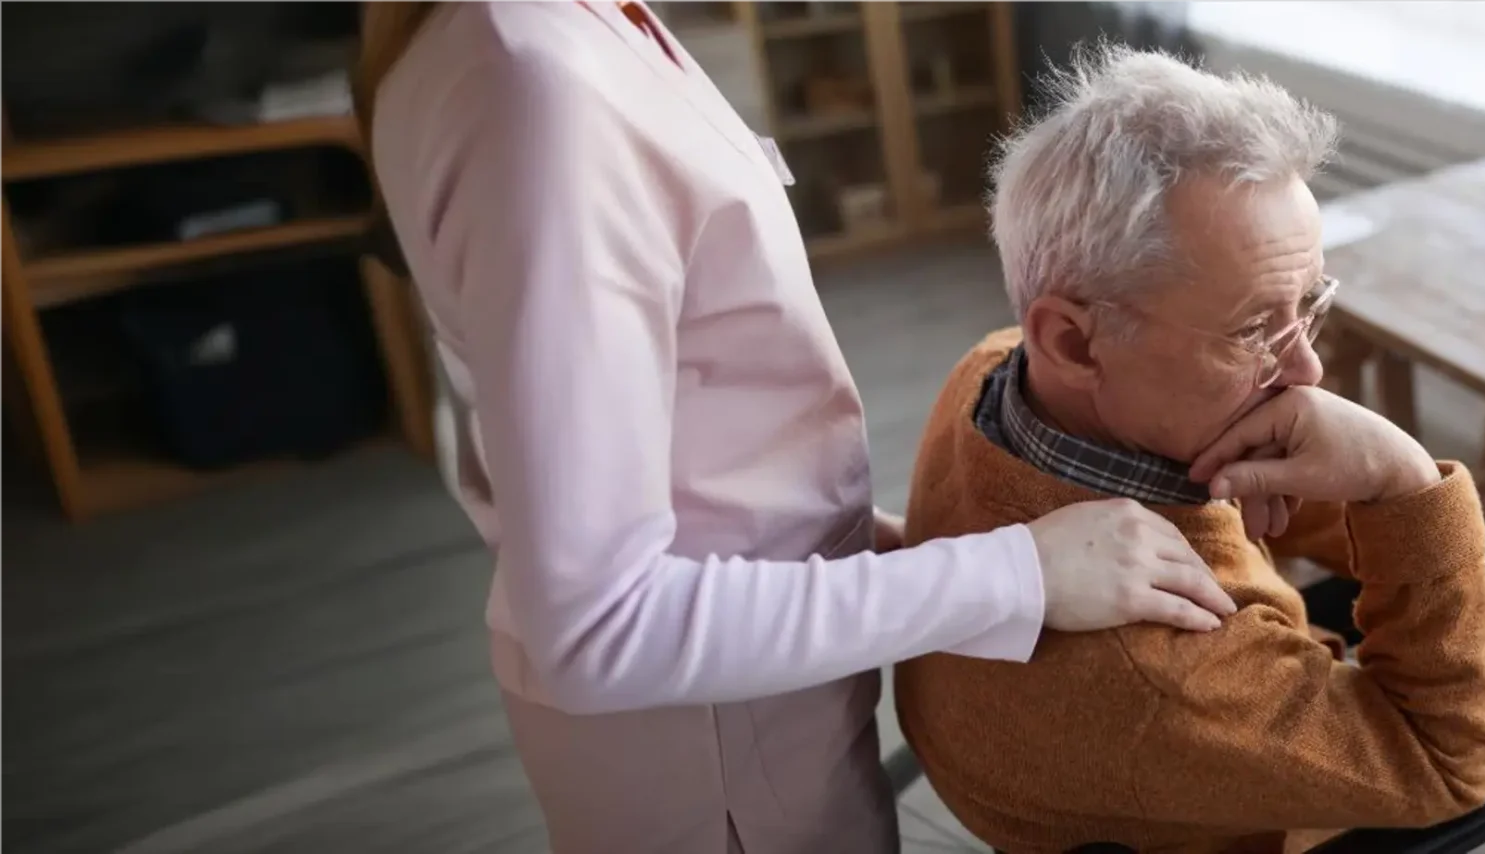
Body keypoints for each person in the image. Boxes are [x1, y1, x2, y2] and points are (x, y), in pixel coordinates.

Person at [356, 2, 1241, 851]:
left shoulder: (550, 37)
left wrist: (899, 547)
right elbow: (600, 626)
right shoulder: (535, 87)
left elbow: (685, 435)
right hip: (716, 765)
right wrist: (1013, 577)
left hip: (748, 705)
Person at [894, 46, 1485, 854]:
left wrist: (1423, 556)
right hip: (1335, 798)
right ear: (1075, 341)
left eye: (1310, 306)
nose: (1309, 366)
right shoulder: (1156, 672)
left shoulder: (996, 372)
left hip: (1214, 756)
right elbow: (1444, 765)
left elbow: (1275, 474)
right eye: (1255, 327)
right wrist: (1409, 492)